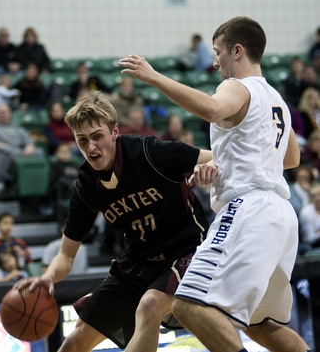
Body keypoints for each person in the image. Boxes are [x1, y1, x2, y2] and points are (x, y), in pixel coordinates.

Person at [118, 16, 311, 352]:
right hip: (281, 215)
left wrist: (154, 78)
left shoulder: (237, 86)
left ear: (237, 51)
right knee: (262, 324)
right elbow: (290, 158)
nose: (215, 60)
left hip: (249, 210)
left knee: (189, 304)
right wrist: (226, 166)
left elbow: (211, 108)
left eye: (218, 52)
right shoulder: (277, 99)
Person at [15, 90, 215, 352]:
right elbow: (66, 256)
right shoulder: (87, 185)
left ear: (115, 132)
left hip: (187, 250)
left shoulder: (148, 152)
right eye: (82, 140)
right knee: (74, 343)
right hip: (138, 262)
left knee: (150, 306)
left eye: (97, 137)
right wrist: (48, 276)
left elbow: (215, 156)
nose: (91, 147)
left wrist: (208, 167)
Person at [0, 103, 39, 194]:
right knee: (4, 153)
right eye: (1, 113)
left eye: (6, 112)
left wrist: (29, 147)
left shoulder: (17, 128)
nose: (4, 114)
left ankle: (35, 182)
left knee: (39, 152)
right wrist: (0, 145)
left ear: (10, 113)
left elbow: (28, 141)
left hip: (19, 152)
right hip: (4, 152)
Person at [299, 182, 320, 250]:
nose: (317, 198)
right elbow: (310, 238)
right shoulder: (306, 213)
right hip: (313, 246)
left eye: (319, 194)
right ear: (310, 198)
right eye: (313, 196)